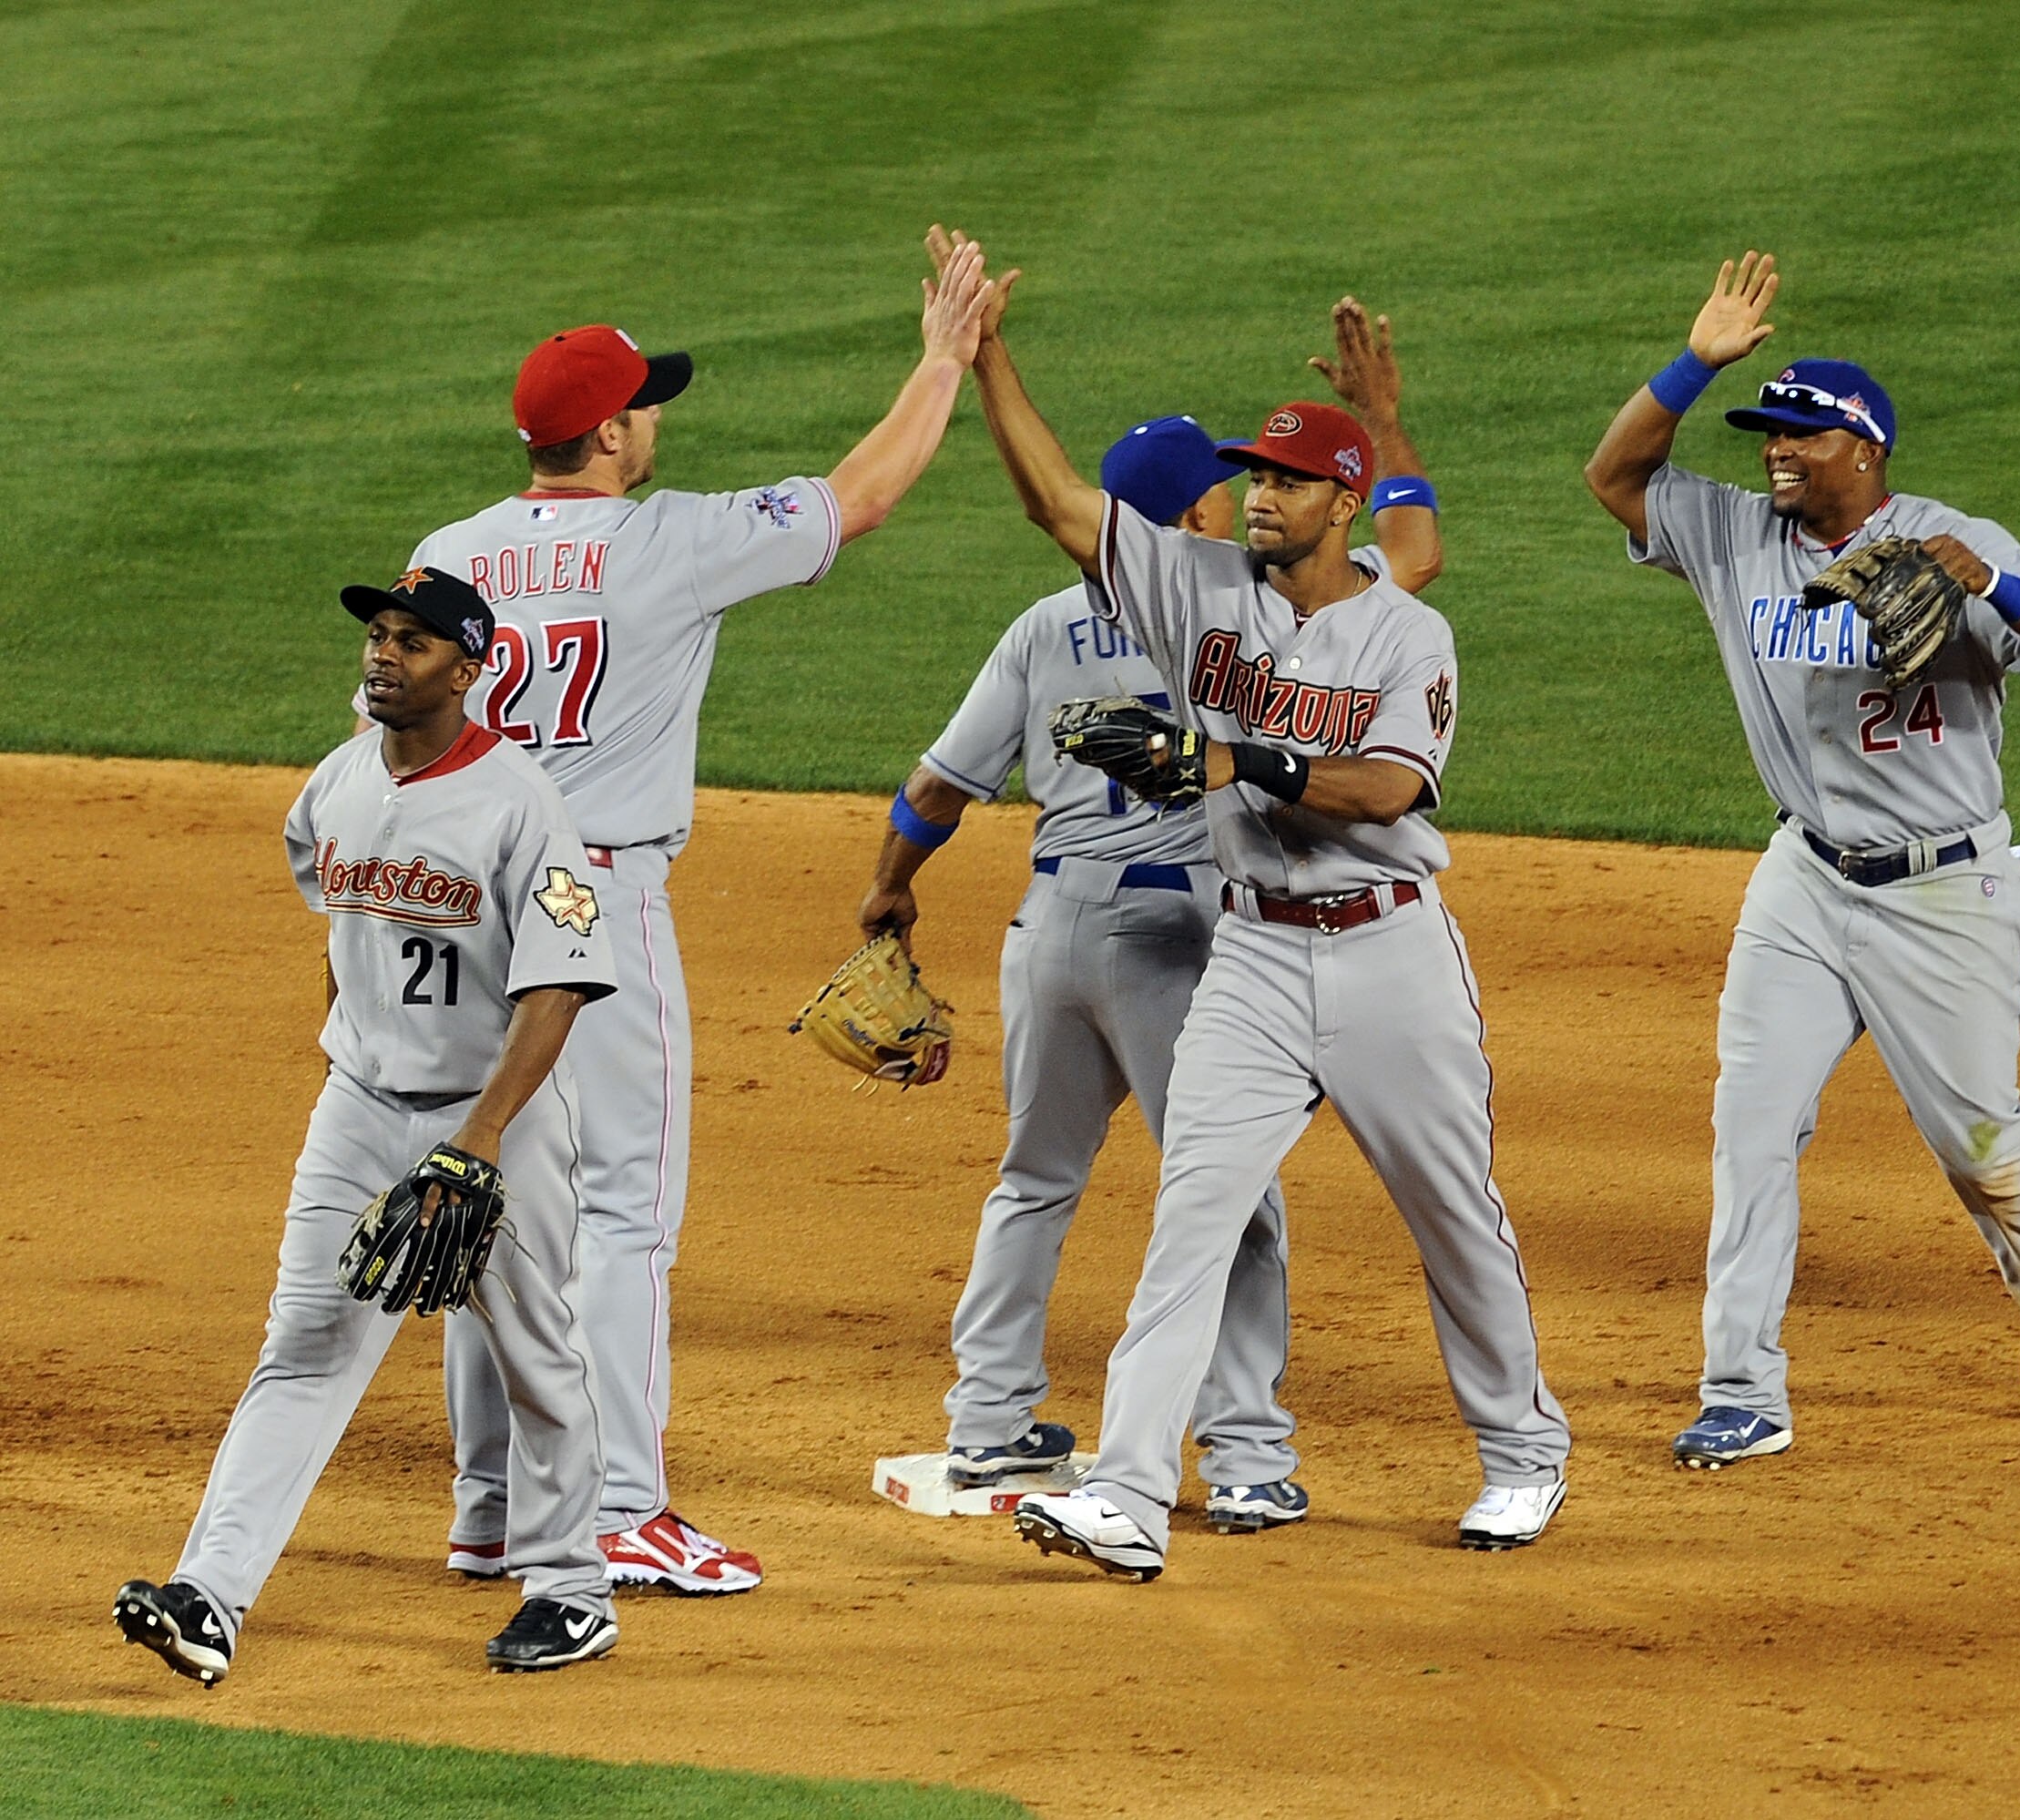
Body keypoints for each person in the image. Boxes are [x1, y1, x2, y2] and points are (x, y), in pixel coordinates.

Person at [932, 231, 1568, 1581]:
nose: (1254, 493)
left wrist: (1241, 758)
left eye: (1281, 479)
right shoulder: (1197, 586)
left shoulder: (1407, 631)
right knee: (1193, 1214)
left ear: (1336, 506)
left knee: (1451, 1210)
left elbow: (1392, 784)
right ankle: (1124, 1486)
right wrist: (987, 357)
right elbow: (1057, 502)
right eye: (1251, 475)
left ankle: (1521, 1453)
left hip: (1390, 951)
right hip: (1254, 961)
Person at [403, 242, 995, 1595]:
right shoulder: (669, 538)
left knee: (483, 1194)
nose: (658, 416)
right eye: (646, 403)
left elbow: (398, 738)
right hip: (594, 903)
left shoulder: (445, 557)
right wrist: (942, 359)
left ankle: (490, 1504)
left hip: (466, 898)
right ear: (607, 433)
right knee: (622, 1213)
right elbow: (866, 494)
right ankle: (617, 1503)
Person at [860, 288, 1447, 1535]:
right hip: (1184, 940)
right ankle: (1243, 1455)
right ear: (1186, 515)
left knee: (1033, 1180)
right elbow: (1413, 559)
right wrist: (1383, 425)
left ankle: (987, 1419)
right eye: (1229, 492)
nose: (1248, 502)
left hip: (1050, 936)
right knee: (1225, 1193)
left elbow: (933, 788)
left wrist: (889, 890)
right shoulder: (1237, 608)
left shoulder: (1044, 624)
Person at [1583, 251, 2020, 1459]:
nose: (1774, 448)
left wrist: (2005, 589)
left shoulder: (1947, 538)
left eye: (1799, 435)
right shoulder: (1729, 532)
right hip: (1806, 879)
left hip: (1945, 885)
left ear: (1862, 450)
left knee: (1977, 1139)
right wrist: (1693, 361)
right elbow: (1614, 474)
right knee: (1752, 1122)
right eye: (1767, 429)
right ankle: (1742, 1388)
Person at [116, 568, 620, 1682]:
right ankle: (209, 1597)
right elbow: (346, 932)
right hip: (358, 1108)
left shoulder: (523, 805)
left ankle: (571, 1587)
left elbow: (561, 985)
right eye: (381, 636)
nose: (386, 655)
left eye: (416, 642)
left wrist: (480, 1137)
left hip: (497, 1121)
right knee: (303, 1347)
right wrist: (356, 1060)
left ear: (470, 669)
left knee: (533, 1353)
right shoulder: (338, 781)